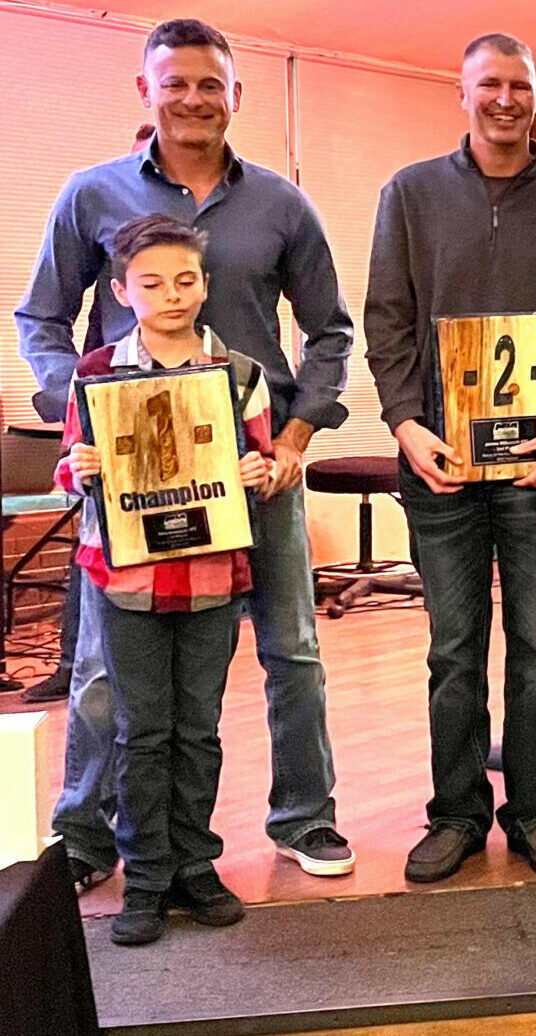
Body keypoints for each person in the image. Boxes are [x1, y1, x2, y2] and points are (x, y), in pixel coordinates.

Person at [15, 18, 357, 882]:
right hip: (131, 476)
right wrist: (84, 416)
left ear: (235, 96)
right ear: (146, 91)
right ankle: (86, 838)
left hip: (255, 468)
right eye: (176, 83)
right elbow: (40, 322)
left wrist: (293, 436)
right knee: (99, 670)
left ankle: (305, 819)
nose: (195, 98)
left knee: (293, 651)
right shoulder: (92, 195)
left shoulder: (282, 204)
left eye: (212, 84)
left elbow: (329, 332)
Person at [364, 33, 536, 884]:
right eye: (489, 85)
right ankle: (457, 813)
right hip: (442, 469)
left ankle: (535, 809)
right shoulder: (411, 194)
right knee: (454, 650)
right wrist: (404, 422)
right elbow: (386, 321)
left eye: (522, 87)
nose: (506, 100)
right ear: (460, 93)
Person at [55, 214, 274, 945]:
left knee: (198, 729)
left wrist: (258, 470)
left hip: (213, 576)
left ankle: (195, 865)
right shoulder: (96, 375)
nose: (172, 294)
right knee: (139, 729)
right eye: (152, 283)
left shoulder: (240, 374)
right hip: (126, 584)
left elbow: (264, 465)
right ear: (123, 290)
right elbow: (70, 468)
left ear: (205, 285)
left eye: (186, 280)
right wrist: (78, 470)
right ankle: (145, 876)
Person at [20, 122, 161, 709]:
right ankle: (73, 663)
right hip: (113, 413)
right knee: (97, 548)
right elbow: (44, 317)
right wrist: (78, 394)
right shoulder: (94, 201)